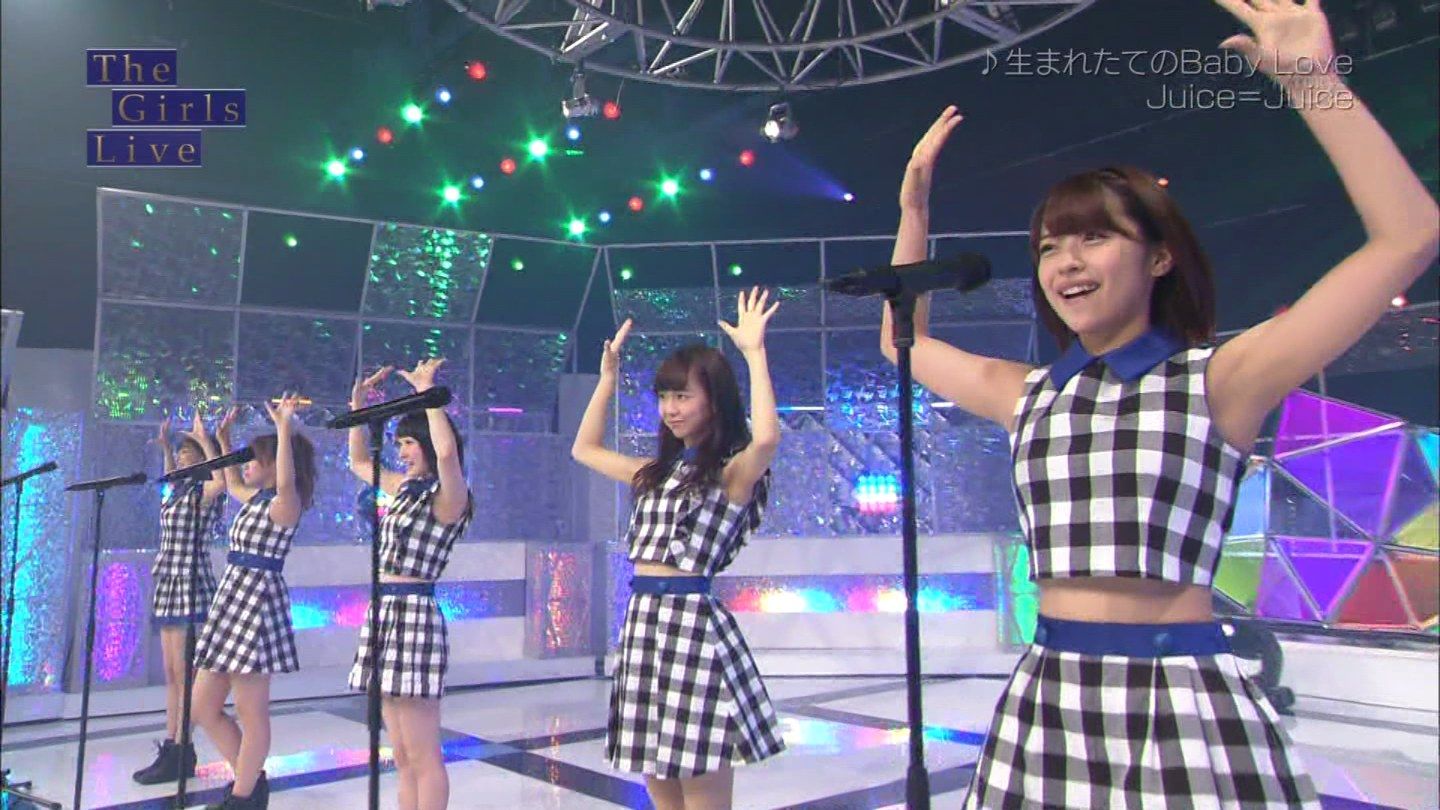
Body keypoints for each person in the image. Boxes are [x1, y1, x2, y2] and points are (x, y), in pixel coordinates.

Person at [878, 2, 1438, 806]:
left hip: (1181, 695)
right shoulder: (1029, 394)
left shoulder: (1221, 379)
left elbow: (1407, 236)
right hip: (1050, 697)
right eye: (1049, 246)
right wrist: (914, 213)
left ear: (1161, 258)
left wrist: (1313, 83)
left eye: (1094, 238)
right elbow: (902, 342)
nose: (1066, 263)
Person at [571, 288, 787, 810]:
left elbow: (765, 440)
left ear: (714, 400)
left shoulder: (730, 474)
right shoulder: (656, 473)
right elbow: (584, 449)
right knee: (660, 788)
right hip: (644, 626)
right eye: (665, 397)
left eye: (683, 396)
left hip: (691, 628)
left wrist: (754, 354)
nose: (670, 409)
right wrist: (607, 380)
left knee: (701, 788)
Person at [344, 359, 473, 810]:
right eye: (399, 443)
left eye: (409, 443)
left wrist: (427, 396)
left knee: (422, 752)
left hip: (415, 614)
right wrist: (358, 407)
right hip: (385, 612)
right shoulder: (402, 488)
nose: (401, 451)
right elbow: (360, 461)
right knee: (399, 752)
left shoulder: (450, 495)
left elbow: (448, 457)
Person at [190, 395, 318, 809]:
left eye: (255, 458)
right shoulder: (257, 501)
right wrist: (220, 442)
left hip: (257, 603)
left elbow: (286, 483)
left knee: (251, 710)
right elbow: (231, 482)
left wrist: (283, 428)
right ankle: (250, 780)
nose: (248, 464)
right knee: (203, 706)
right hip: (232, 599)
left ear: (275, 464)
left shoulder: (285, 504)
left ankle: (243, 795)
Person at [132, 411, 225, 786]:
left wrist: (206, 441)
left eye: (190, 452)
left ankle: (182, 747)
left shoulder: (204, 493)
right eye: (183, 451)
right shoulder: (179, 491)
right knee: (171, 672)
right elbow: (170, 476)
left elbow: (220, 480)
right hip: (168, 580)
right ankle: (171, 744)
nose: (184, 456)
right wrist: (166, 449)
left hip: (190, 580)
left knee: (186, 673)